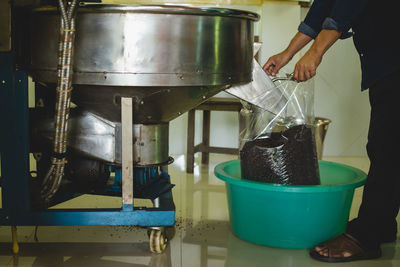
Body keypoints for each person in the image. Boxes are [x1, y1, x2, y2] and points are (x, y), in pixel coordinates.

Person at [263, 0, 399, 263]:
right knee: (386, 145)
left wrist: (314, 53)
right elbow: (322, 10)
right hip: (387, 64)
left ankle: (367, 236)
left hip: (394, 60)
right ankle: (381, 224)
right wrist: (287, 54)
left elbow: (345, 9)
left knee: (388, 148)